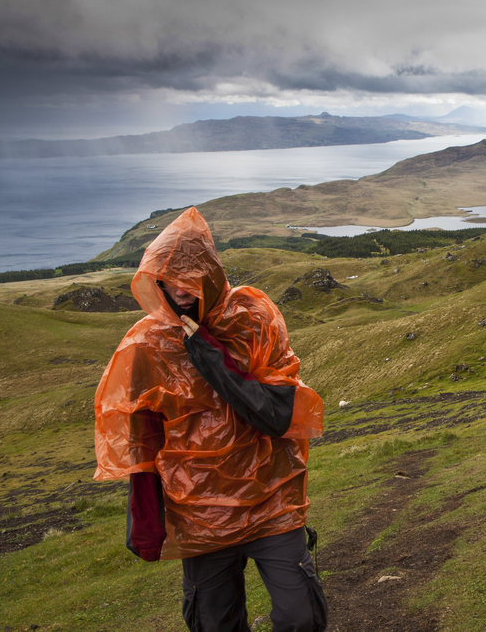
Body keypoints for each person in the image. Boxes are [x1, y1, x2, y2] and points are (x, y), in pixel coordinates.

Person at [93, 207, 327, 631]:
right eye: (169, 280)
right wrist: (143, 514)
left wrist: (211, 357)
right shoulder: (145, 345)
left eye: (190, 277)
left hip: (272, 497)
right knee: (214, 622)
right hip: (200, 509)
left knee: (301, 617)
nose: (181, 290)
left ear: (210, 274)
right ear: (155, 282)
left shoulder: (251, 319)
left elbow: (276, 413)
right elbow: (139, 436)